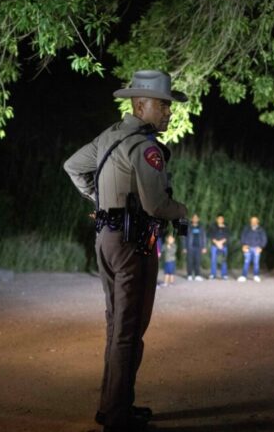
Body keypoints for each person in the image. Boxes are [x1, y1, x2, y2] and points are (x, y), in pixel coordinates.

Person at [63, 70, 188, 432]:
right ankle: (118, 416)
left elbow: (73, 167)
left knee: (116, 326)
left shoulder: (110, 136)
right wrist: (182, 211)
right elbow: (155, 206)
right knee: (128, 331)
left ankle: (112, 406)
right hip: (134, 243)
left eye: (168, 106)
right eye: (163, 105)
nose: (168, 112)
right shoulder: (146, 147)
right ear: (140, 104)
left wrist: (101, 200)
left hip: (106, 238)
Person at [238, 216, 267, 282]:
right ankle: (243, 276)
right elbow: (242, 237)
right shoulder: (247, 228)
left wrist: (261, 247)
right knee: (246, 261)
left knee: (256, 262)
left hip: (256, 248)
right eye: (252, 220)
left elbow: (264, 239)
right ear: (250, 221)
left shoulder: (261, 230)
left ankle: (256, 276)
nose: (253, 222)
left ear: (258, 221)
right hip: (247, 247)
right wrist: (243, 245)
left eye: (255, 220)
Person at [182, 214, 207, 281]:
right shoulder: (188, 227)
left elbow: (204, 237)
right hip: (190, 247)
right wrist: (184, 247)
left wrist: (204, 247)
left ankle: (197, 275)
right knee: (189, 261)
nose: (195, 219)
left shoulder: (201, 227)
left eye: (196, 218)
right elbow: (184, 238)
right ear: (192, 219)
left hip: (199, 247)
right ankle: (189, 275)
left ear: (198, 219)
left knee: (198, 262)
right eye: (194, 218)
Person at [208, 214, 230, 280]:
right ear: (216, 219)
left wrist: (221, 242)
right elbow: (211, 235)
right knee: (213, 260)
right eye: (219, 218)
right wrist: (217, 243)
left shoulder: (226, 227)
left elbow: (227, 236)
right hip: (215, 245)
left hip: (224, 245)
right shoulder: (213, 226)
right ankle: (213, 274)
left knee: (224, 260)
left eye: (222, 219)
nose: (220, 220)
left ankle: (224, 275)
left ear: (223, 219)